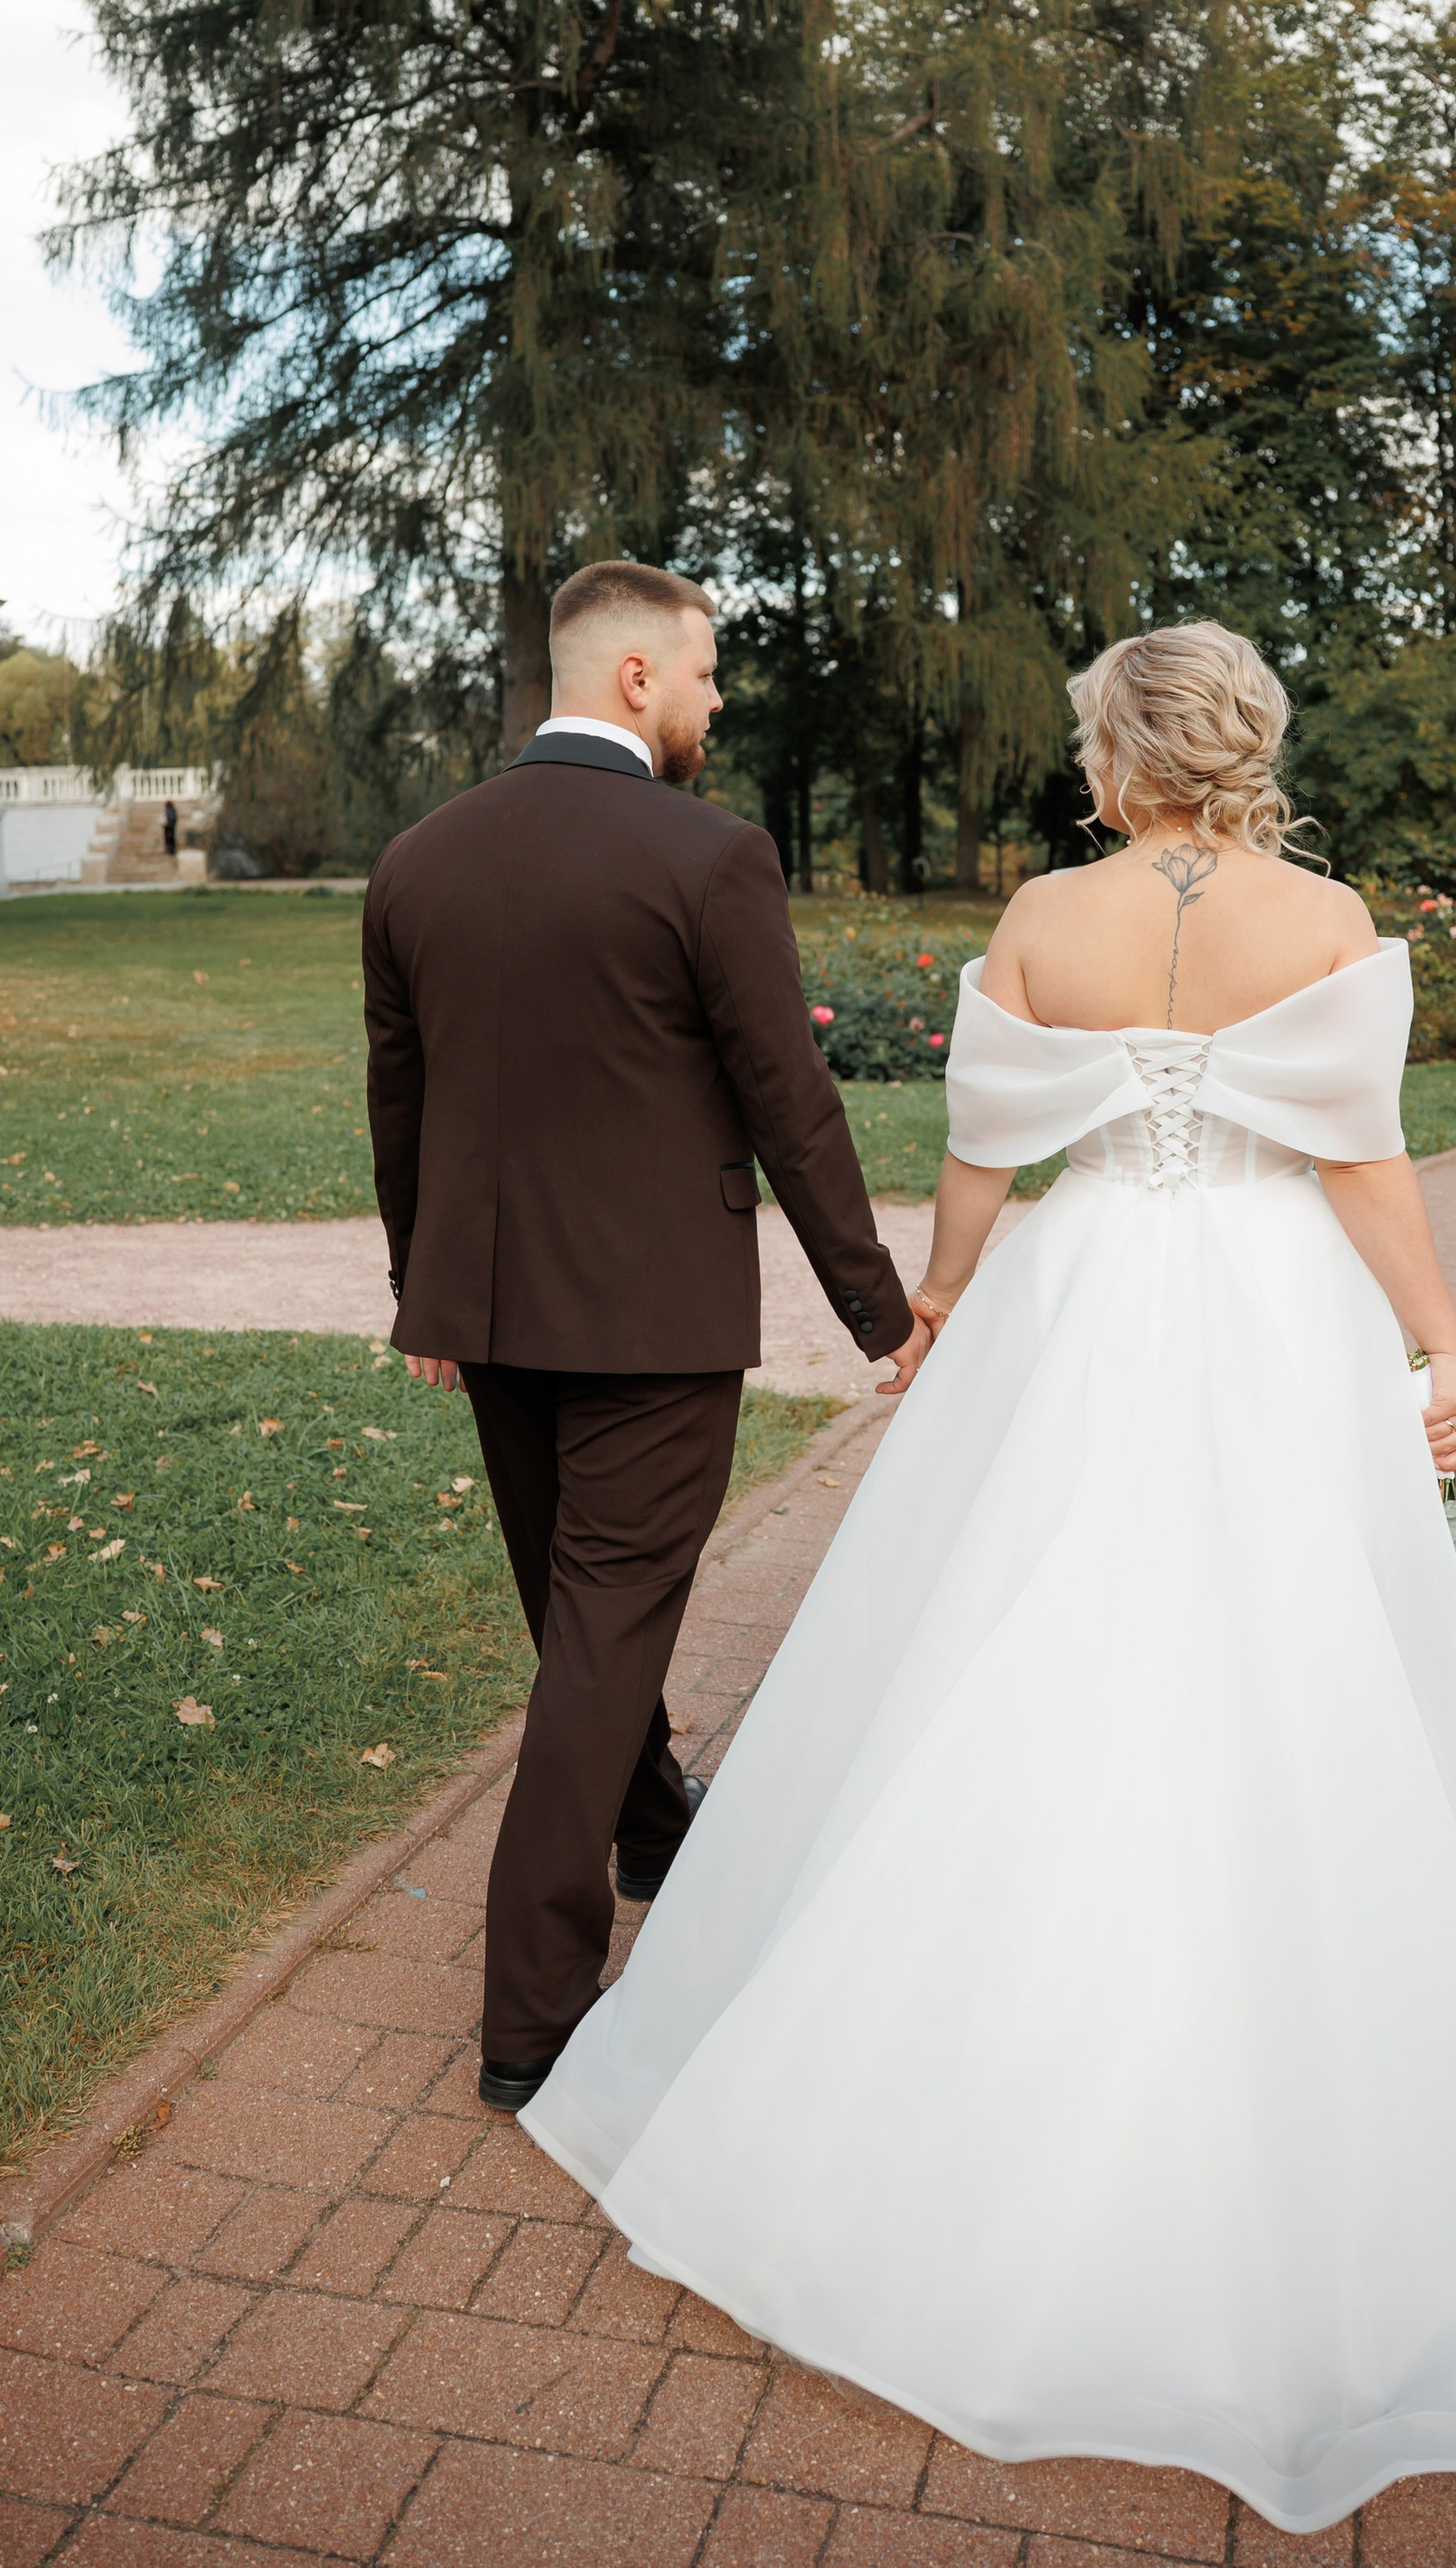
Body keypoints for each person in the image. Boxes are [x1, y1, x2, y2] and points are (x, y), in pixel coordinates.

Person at [522, 619, 1456, 2530]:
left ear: (1113, 754)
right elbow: (1362, 1160)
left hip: (1083, 1307)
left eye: (1088, 737)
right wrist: (1440, 1347)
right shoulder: (1322, 918)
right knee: (1287, 1661)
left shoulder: (1042, 914)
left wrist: (936, 1303)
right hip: (1271, 1314)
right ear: (1240, 743)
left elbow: (991, 1155)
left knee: (1021, 1640)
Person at [362, 559, 927, 2114]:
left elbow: (398, 1103)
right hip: (654, 1324)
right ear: (632, 679)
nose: (716, 697)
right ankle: (532, 2017)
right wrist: (880, 1309)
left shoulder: (418, 859)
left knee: (581, 1621)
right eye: (704, 672)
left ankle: (656, 1824)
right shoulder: (710, 856)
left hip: (487, 1315)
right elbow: (787, 1101)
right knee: (603, 1630)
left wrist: (425, 1295)